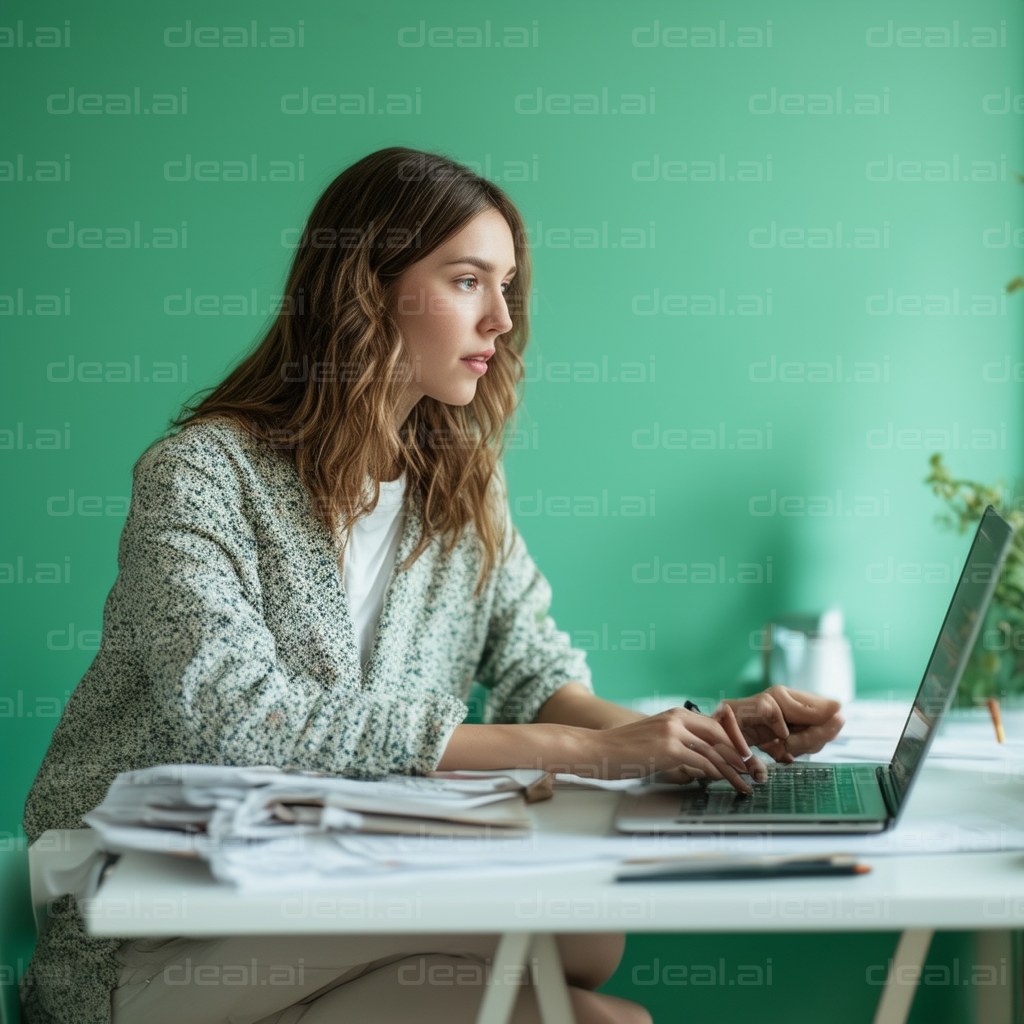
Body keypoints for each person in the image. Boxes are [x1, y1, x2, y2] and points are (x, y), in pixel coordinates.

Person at [21, 147, 844, 1024]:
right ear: (364, 290)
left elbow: (537, 674)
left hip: (327, 873)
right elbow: (237, 716)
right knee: (601, 989)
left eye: (507, 285)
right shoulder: (200, 475)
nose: (501, 317)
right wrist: (585, 755)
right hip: (165, 920)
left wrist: (691, 738)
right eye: (467, 281)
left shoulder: (459, 482)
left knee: (594, 951)